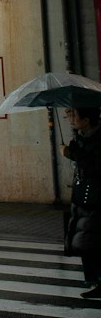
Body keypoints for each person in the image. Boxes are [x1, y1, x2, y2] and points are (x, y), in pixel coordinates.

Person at [62, 106, 101, 300]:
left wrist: (71, 153)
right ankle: (94, 280)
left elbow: (94, 166)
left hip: (96, 198)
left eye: (74, 115)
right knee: (86, 242)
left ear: (87, 119)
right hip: (83, 197)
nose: (70, 119)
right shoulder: (81, 137)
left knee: (94, 240)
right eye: (68, 114)